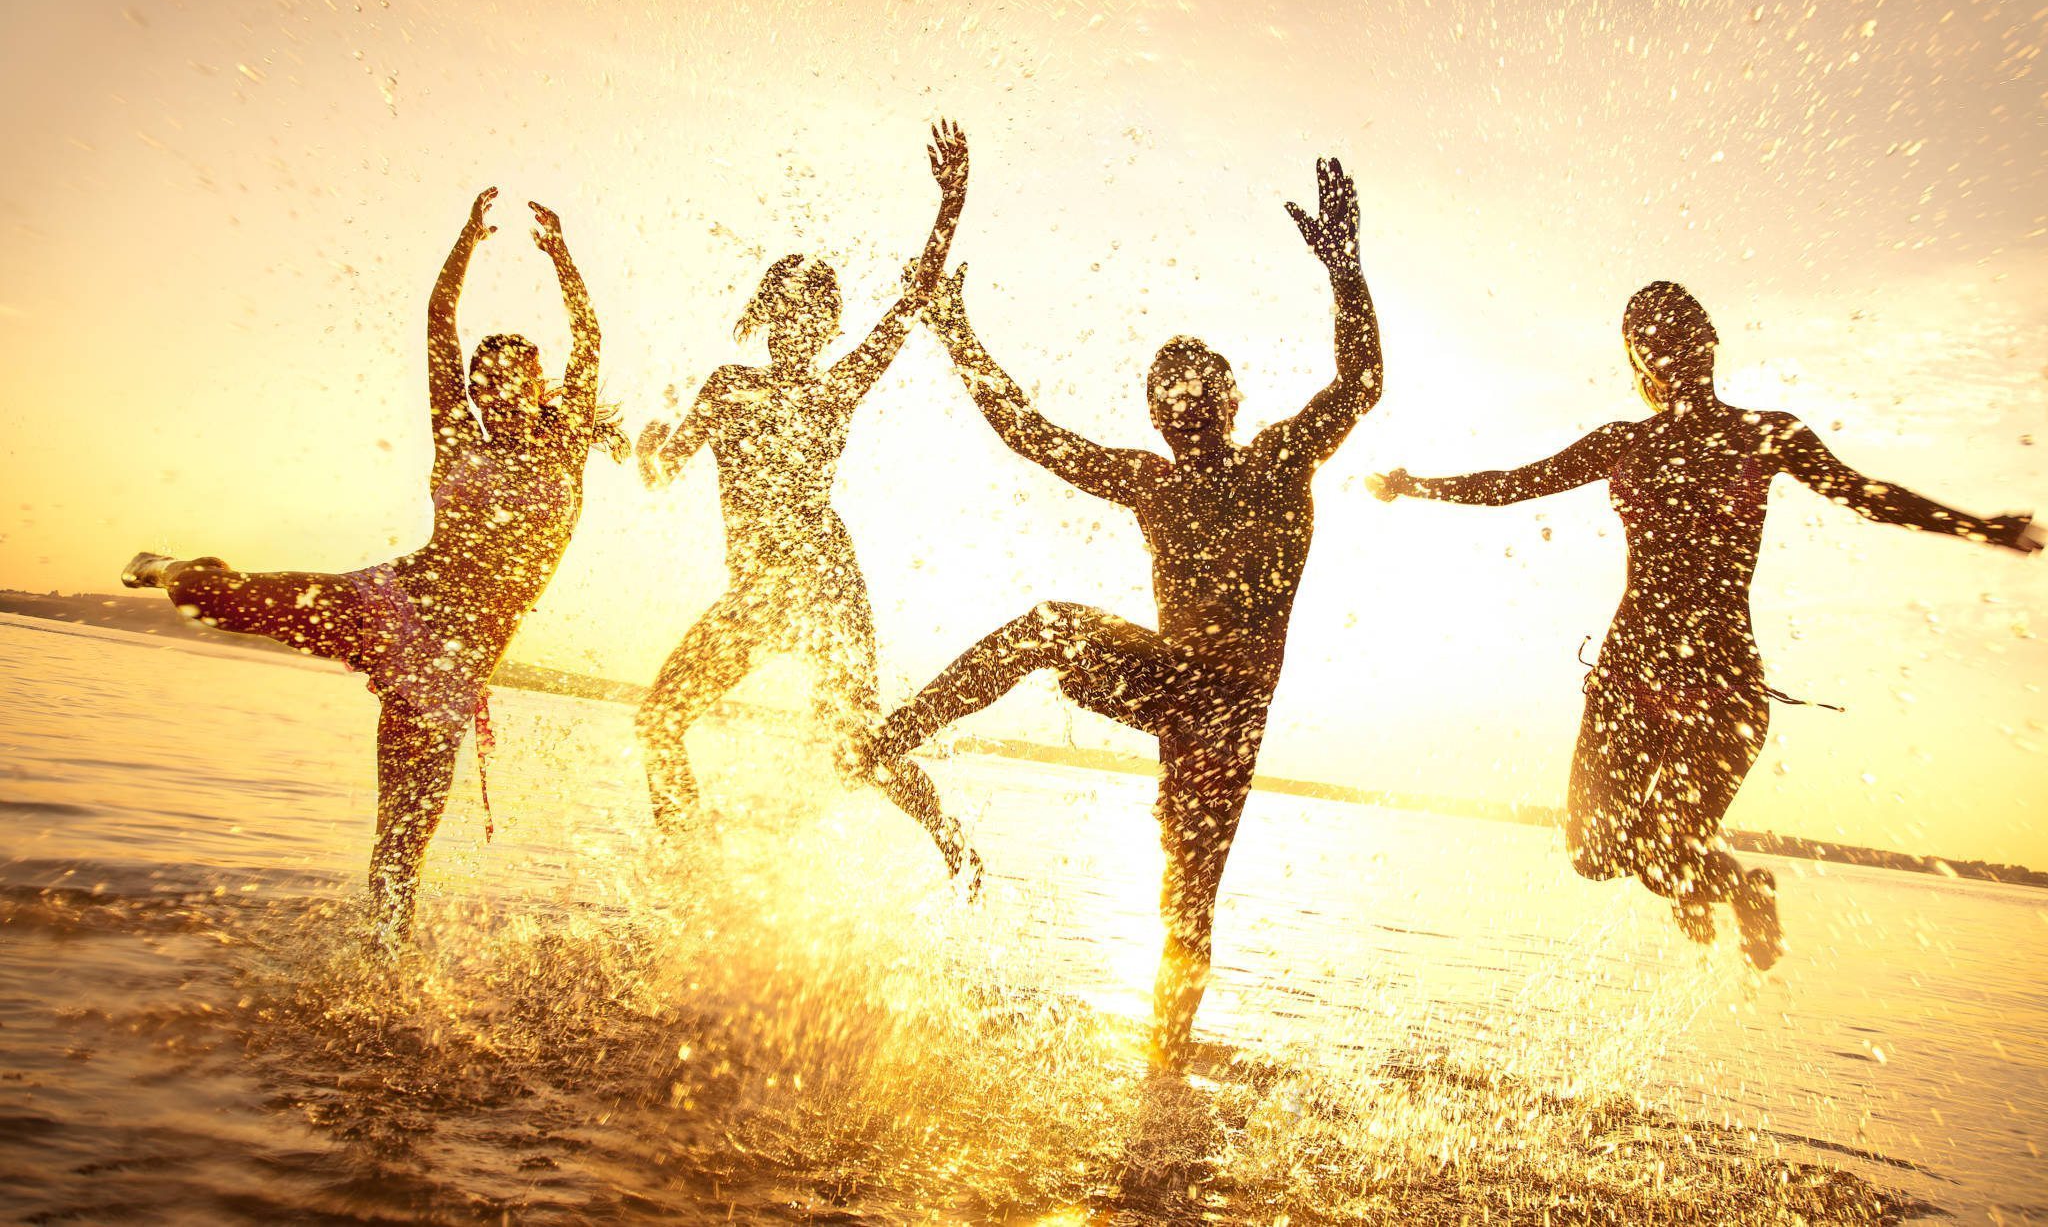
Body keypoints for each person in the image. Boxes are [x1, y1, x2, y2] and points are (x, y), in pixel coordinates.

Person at [861, 157, 1382, 1065]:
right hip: (1168, 678)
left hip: (1229, 717)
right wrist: (957, 334)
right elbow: (1031, 433)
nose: (1180, 404)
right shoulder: (1151, 482)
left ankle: (1164, 1072)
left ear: (1228, 399)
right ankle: (890, 736)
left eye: (1196, 388)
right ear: (1153, 414)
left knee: (1188, 903)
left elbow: (1361, 382)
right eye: (1164, 394)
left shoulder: (1280, 461)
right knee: (1046, 624)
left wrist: (1345, 266)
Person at [1371, 281, 2041, 967]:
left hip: (1723, 691)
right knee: (1593, 853)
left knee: (1665, 856)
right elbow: (1513, 483)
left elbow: (1865, 496)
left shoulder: (1767, 434)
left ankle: (1738, 887)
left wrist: (1981, 527)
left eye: (1683, 334)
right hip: (1629, 678)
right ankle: (1706, 883)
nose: (1676, 350)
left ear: (1709, 345)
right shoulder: (1624, 442)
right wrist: (1418, 484)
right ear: (1644, 363)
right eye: (1657, 340)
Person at [122, 189, 625, 945]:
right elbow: (437, 325)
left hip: (443, 678)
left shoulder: (563, 455)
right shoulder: (460, 438)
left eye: (508, 379)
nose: (491, 393)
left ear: (539, 384)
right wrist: (465, 243)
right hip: (383, 602)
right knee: (219, 597)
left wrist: (564, 260)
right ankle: (167, 567)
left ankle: (381, 978)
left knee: (396, 853)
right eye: (482, 384)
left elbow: (590, 335)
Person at [635, 121, 980, 884]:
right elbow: (662, 473)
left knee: (851, 747)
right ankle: (695, 874)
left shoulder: (835, 389)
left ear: (828, 328)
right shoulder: (726, 388)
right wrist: (644, 446)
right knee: (660, 718)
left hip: (825, 588)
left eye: (812, 317)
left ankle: (951, 838)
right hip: (758, 593)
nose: (796, 329)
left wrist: (951, 204)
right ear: (764, 315)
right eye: (783, 313)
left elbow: (914, 303)